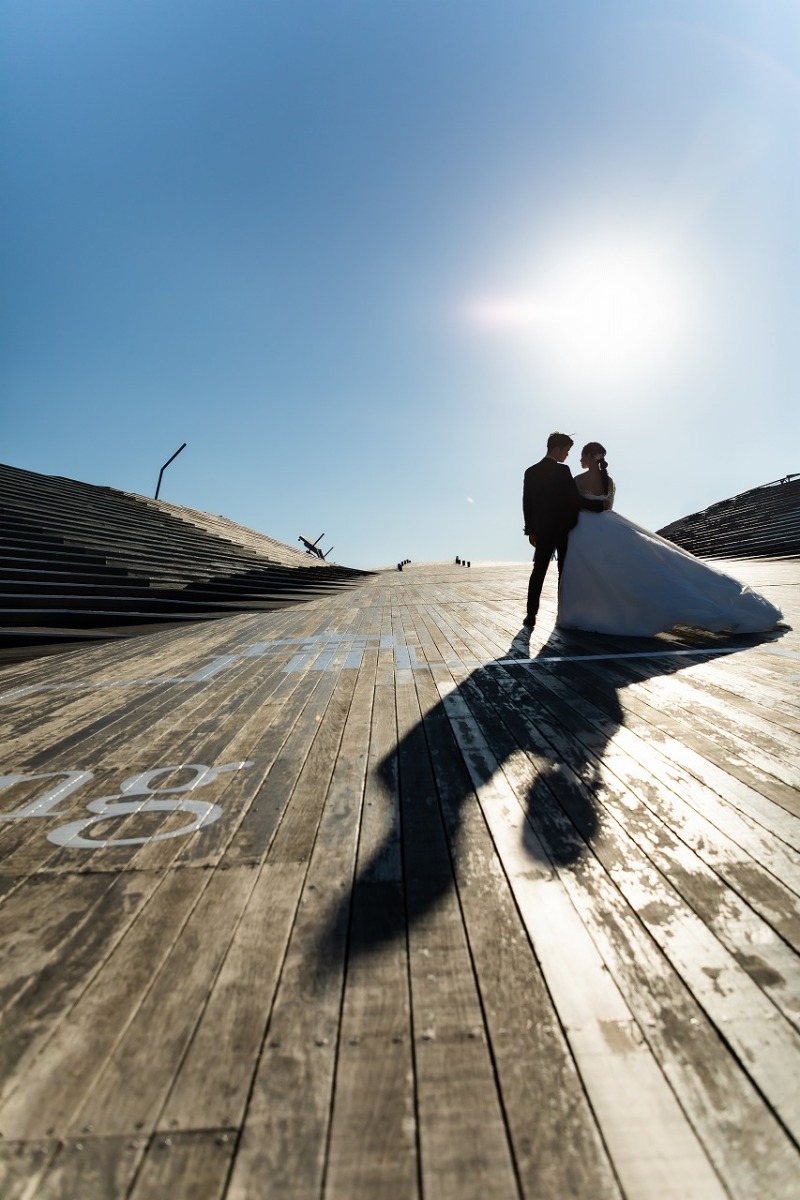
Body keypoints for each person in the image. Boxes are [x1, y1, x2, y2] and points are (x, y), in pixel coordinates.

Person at [557, 441, 783, 636]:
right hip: (610, 524)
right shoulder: (610, 481)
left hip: (584, 528)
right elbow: (607, 506)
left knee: (594, 572)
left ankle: (591, 612)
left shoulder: (578, 480)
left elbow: (574, 505)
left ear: (588, 456)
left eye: (582, 455)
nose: (580, 459)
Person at [521, 432, 604, 629]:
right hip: (564, 529)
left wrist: (531, 530)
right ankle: (562, 614)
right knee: (563, 573)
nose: (567, 455)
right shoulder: (563, 471)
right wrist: (598, 507)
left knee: (538, 571)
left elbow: (527, 503)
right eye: (567, 450)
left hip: (542, 531)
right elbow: (574, 499)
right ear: (557, 448)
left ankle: (530, 615)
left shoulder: (530, 471)